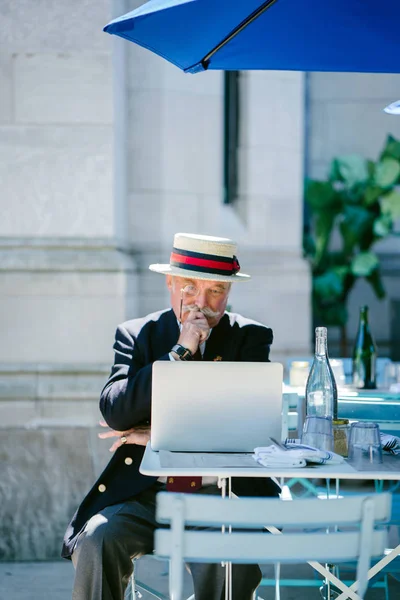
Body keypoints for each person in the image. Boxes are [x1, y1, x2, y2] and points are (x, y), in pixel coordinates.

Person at [62, 232, 280, 600]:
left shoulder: (251, 338)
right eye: (190, 288)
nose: (202, 303)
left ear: (229, 292)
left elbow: (247, 428)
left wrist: (157, 434)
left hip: (221, 495)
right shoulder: (138, 334)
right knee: (98, 539)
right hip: (147, 495)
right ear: (171, 283)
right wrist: (179, 351)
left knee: (231, 554)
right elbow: (117, 412)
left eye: (216, 291)